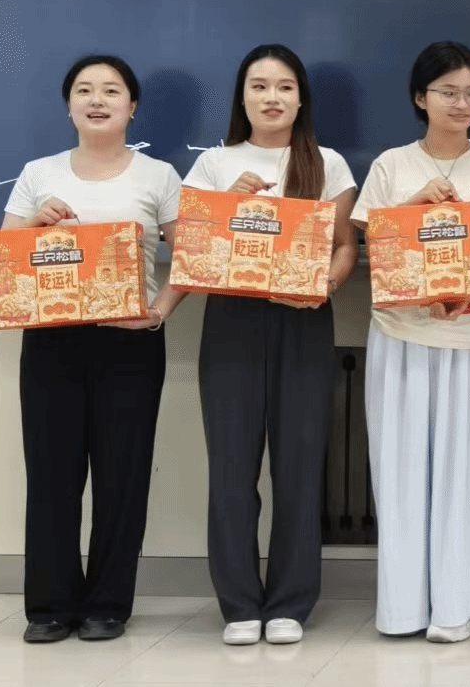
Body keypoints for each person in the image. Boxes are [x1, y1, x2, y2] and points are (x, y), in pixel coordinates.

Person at [178, 44, 358, 645]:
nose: (272, 97)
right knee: (232, 469)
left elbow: (345, 247)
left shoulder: (326, 163)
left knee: (299, 467)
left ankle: (289, 603)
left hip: (303, 321)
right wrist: (231, 204)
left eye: (284, 86)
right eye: (259, 86)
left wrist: (325, 285)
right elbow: (192, 249)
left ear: (301, 98)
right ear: (242, 96)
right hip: (231, 319)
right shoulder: (213, 164)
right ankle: (238, 604)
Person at [5, 55, 182, 643]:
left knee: (121, 476)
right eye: (84, 90)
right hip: (51, 340)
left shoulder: (159, 176)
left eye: (111, 90)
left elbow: (191, 256)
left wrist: (159, 311)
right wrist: (36, 225)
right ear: (69, 105)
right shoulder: (39, 173)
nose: (97, 100)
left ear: (133, 106)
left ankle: (108, 604)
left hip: (129, 342)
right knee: (51, 475)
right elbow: (6, 261)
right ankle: (49, 606)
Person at [351, 41, 470, 643]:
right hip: (401, 333)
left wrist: (461, 295)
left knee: (466, 469)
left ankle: (457, 602)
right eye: (448, 91)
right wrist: (412, 205)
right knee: (400, 471)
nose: (462, 103)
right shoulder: (391, 165)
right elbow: (373, 247)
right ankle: (403, 608)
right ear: (421, 97)